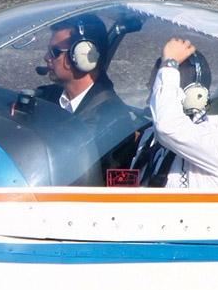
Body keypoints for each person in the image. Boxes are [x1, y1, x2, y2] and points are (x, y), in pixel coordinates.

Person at [30, 15, 139, 181]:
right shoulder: (43, 98)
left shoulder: (113, 121)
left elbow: (116, 187)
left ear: (83, 56)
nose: (46, 57)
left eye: (55, 52)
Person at [134, 37, 218, 189]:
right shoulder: (150, 136)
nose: (150, 99)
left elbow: (168, 127)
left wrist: (169, 65)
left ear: (193, 95)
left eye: (157, 90)